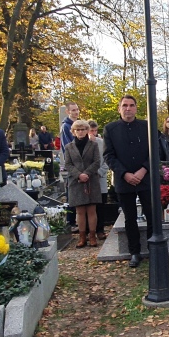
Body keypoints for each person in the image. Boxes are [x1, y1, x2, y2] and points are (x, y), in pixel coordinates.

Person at [103, 95, 153, 268]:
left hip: (145, 178)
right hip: (124, 180)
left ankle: (153, 249)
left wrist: (144, 169)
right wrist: (124, 174)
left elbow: (155, 151)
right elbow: (109, 155)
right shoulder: (110, 129)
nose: (128, 108)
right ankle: (134, 252)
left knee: (151, 215)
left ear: (136, 108)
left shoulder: (146, 126)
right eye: (125, 105)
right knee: (130, 218)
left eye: (131, 105)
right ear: (119, 108)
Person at [63, 120, 102, 248]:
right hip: (76, 181)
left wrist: (86, 173)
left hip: (91, 180)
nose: (80, 132)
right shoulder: (69, 147)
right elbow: (68, 164)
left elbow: (97, 161)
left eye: (83, 129)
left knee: (91, 210)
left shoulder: (93, 145)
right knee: (79, 211)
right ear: (73, 132)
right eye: (77, 130)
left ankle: (92, 236)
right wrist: (79, 175)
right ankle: (82, 237)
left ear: (87, 130)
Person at [61, 101, 81, 230]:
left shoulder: (79, 124)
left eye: (77, 109)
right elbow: (68, 147)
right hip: (73, 164)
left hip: (82, 163)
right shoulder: (66, 127)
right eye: (73, 110)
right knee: (72, 194)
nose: (76, 112)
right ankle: (71, 221)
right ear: (68, 112)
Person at [88, 120, 109, 240]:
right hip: (87, 179)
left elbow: (107, 159)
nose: (94, 133)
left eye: (95, 131)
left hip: (100, 177)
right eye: (92, 131)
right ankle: (88, 231)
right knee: (88, 206)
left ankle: (100, 230)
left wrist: (100, 172)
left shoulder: (102, 142)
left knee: (101, 206)